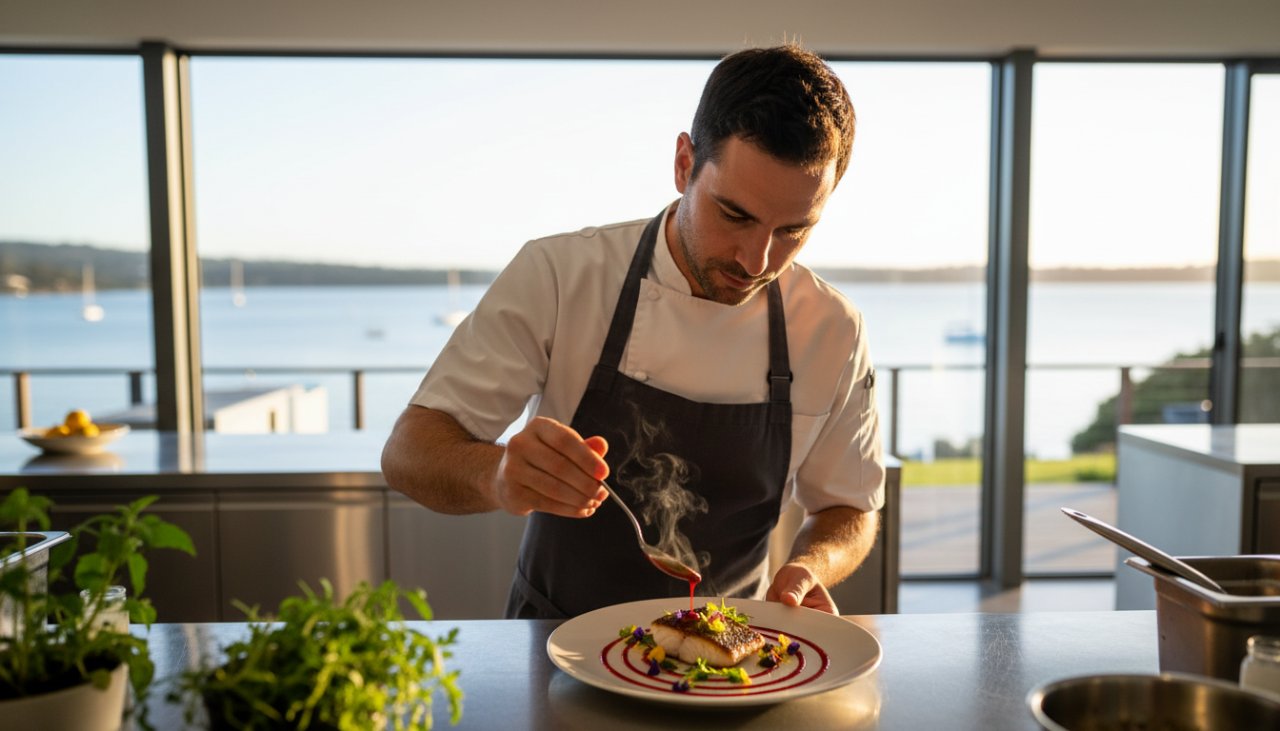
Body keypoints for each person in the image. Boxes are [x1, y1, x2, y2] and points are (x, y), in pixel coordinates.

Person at [382, 44, 884, 620]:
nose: (756, 259)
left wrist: (810, 566)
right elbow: (408, 454)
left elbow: (851, 506)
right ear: (683, 164)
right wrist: (497, 475)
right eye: (735, 215)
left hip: (734, 658)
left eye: (794, 230)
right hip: (553, 647)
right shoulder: (561, 275)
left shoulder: (833, 329)